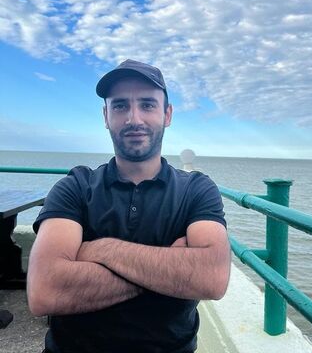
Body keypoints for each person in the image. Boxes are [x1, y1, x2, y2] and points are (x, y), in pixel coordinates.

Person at [27, 59, 231, 353]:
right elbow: (45, 291)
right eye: (120, 106)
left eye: (147, 105)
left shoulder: (196, 189)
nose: (134, 119)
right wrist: (170, 272)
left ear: (167, 114)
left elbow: (212, 279)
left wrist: (100, 250)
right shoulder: (76, 186)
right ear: (106, 116)